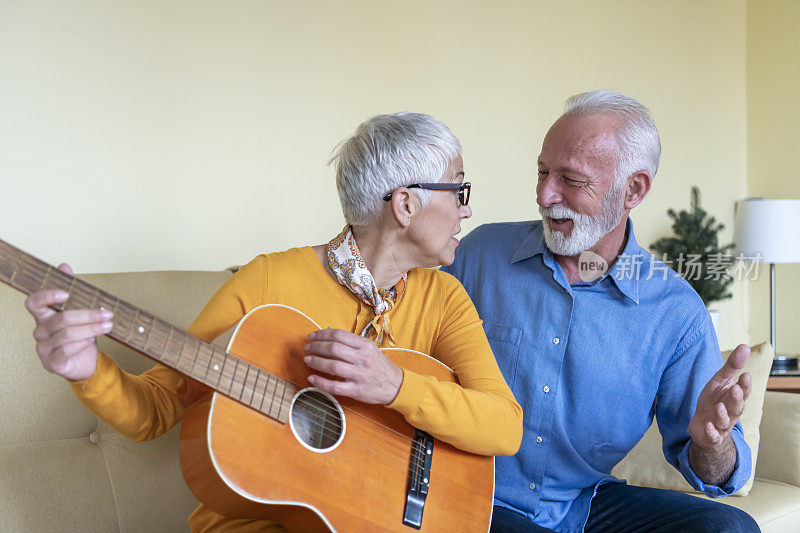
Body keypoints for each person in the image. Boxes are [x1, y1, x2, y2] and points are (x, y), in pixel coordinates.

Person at [24, 112, 523, 532]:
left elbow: (505, 428)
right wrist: (86, 369)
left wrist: (394, 385)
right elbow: (156, 410)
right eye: (459, 189)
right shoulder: (267, 282)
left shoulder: (443, 298)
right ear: (406, 204)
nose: (468, 209)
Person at [442, 90, 760, 532]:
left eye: (571, 180)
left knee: (730, 529)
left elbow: (714, 471)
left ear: (634, 189)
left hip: (580, 502)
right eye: (542, 172)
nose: (544, 193)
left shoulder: (673, 310)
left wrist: (713, 443)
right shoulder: (478, 255)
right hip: (471, 493)